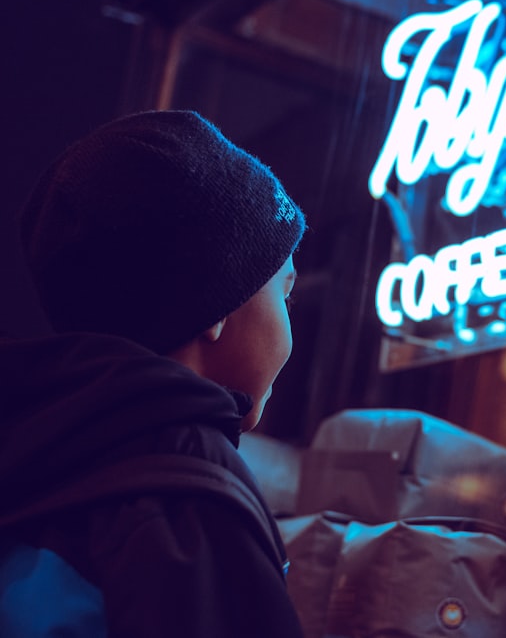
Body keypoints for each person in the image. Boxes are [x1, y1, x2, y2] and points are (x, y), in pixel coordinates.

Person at [0, 110, 307, 637]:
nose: (290, 312)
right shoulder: (191, 496)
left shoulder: (44, 440)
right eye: (285, 291)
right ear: (216, 309)